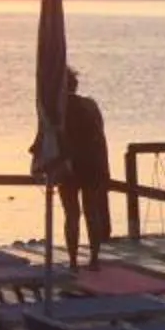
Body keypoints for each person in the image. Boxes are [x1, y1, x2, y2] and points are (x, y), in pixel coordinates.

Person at [58, 68, 113, 266]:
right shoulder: (90, 105)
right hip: (92, 164)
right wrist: (105, 167)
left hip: (69, 165)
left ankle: (73, 260)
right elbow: (101, 137)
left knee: (71, 213)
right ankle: (94, 259)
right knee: (92, 212)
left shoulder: (58, 108)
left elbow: (55, 137)